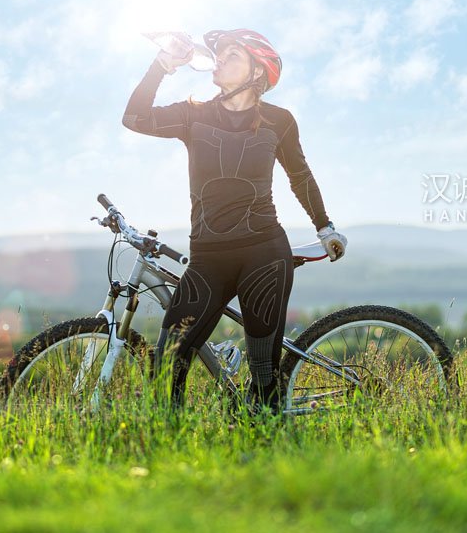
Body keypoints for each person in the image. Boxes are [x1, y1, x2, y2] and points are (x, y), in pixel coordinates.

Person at [122, 29, 347, 413]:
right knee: (168, 366)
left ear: (257, 74)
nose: (221, 60)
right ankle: (168, 450)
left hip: (263, 254)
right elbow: (134, 118)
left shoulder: (280, 121)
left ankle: (265, 450)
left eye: (232, 56)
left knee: (263, 379)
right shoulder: (194, 114)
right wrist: (162, 65)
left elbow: (300, 176)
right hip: (208, 258)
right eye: (220, 54)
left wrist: (324, 227)